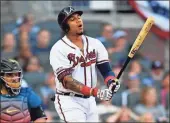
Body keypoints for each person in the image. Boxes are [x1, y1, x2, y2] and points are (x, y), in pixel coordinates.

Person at [49, 6, 120, 122]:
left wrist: (111, 82)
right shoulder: (58, 49)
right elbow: (67, 82)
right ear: (65, 26)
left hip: (90, 100)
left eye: (79, 17)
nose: (78, 20)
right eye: (72, 19)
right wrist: (95, 92)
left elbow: (106, 70)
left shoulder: (95, 43)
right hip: (69, 100)